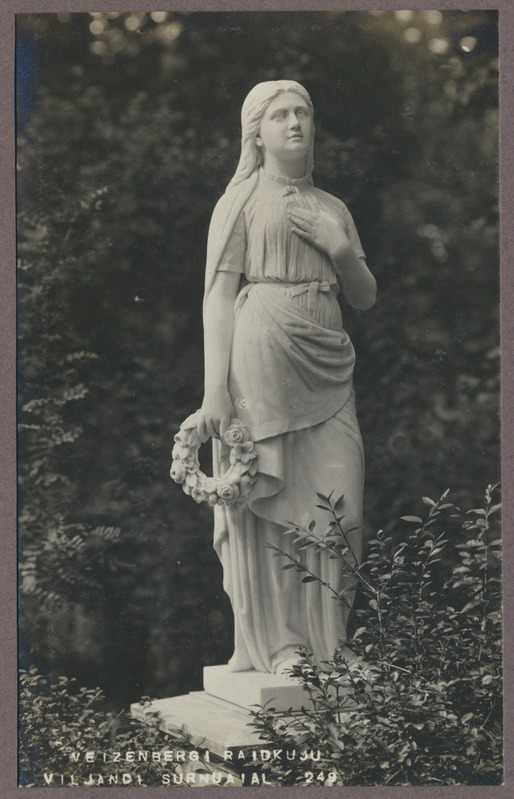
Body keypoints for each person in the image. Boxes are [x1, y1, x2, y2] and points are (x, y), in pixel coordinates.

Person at [197, 80, 376, 675]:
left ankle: (330, 642)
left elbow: (366, 297)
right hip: (261, 355)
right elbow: (218, 297)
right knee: (271, 496)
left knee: (341, 505)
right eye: (280, 115)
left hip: (326, 359)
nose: (295, 122)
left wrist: (340, 249)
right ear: (258, 131)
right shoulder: (241, 199)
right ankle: (282, 646)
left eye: (303, 111)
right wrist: (214, 390)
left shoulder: (333, 207)